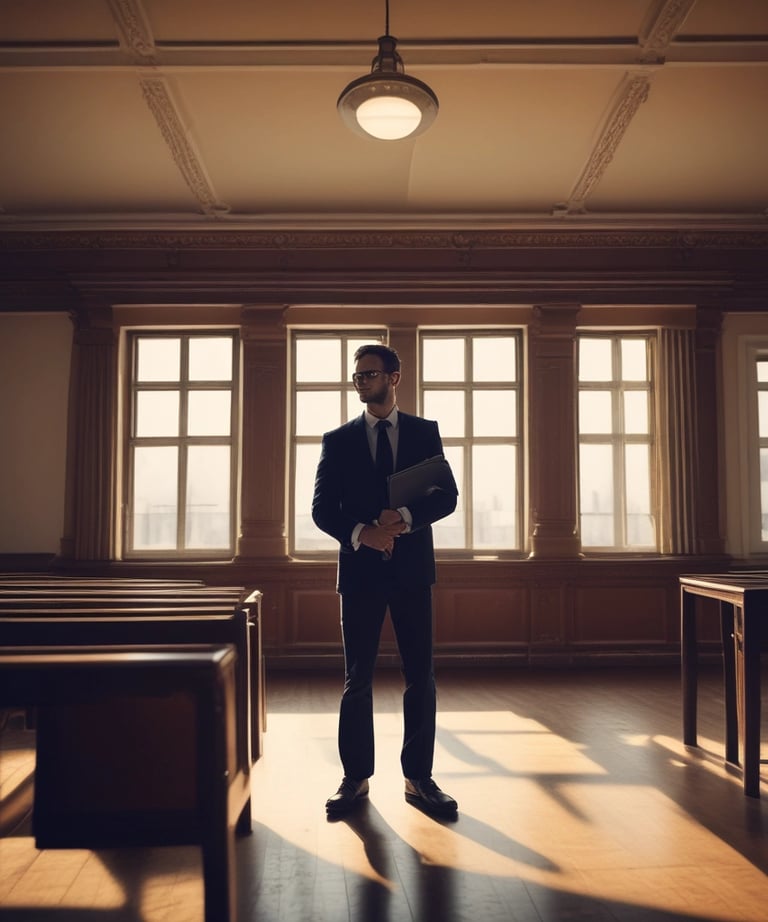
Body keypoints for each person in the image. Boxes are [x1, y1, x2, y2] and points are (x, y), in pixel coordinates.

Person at [312, 343, 459, 818]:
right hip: (359, 575)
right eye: (356, 377)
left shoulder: (424, 432)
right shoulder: (337, 441)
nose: (361, 383)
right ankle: (355, 779)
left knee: (421, 677)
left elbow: (447, 496)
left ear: (394, 378)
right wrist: (364, 534)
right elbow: (321, 510)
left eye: (370, 375)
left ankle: (419, 779)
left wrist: (407, 517)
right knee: (358, 679)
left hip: (413, 572)